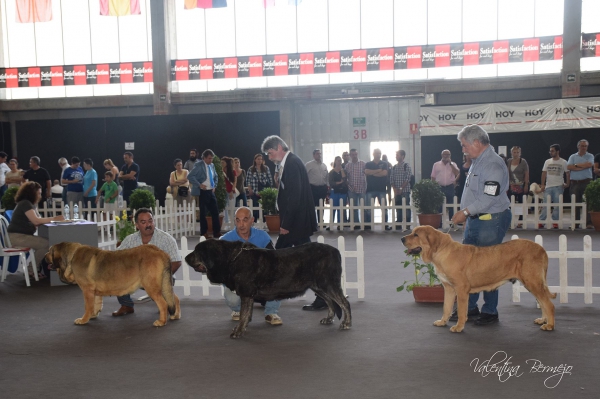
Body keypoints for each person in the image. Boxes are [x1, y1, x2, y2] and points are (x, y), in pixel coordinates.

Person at [450, 125, 511, 326]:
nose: (463, 149)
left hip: (490, 221)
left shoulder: (493, 164)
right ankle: (470, 308)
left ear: (476, 142)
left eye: (464, 145)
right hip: (476, 220)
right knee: (469, 267)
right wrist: (468, 214)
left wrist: (465, 212)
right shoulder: (478, 161)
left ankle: (490, 311)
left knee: (488, 267)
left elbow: (488, 199)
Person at [261, 135, 321, 310]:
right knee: (306, 260)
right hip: (297, 222)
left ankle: (266, 296)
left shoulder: (292, 163)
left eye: (270, 153)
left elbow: (295, 196)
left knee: (276, 258)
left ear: (279, 147)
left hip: (295, 223)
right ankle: (322, 295)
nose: (270, 157)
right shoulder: (290, 162)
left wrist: (286, 224)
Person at [112, 208, 182, 317]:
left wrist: (160, 277)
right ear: (136, 225)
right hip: (135, 277)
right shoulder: (130, 240)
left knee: (166, 305)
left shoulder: (166, 239)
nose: (148, 225)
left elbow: (177, 262)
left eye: (150, 221)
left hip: (161, 276)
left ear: (154, 221)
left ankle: (167, 302)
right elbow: (116, 258)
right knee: (118, 275)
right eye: (143, 222)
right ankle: (126, 305)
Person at [220, 207, 282, 325]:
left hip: (260, 279)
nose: (241, 224)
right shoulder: (225, 240)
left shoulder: (263, 237)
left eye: (245, 220)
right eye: (238, 220)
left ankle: (271, 312)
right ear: (234, 221)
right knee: (233, 300)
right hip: (237, 282)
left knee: (277, 280)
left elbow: (274, 261)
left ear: (252, 220)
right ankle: (237, 310)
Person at [7, 182, 64, 277]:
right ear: (31, 193)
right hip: (17, 237)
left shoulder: (29, 204)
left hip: (20, 235)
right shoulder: (25, 204)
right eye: (38, 193)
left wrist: (48, 219)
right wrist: (54, 219)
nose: (40, 195)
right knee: (47, 244)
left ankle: (34, 268)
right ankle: (32, 269)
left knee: (46, 243)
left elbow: (38, 219)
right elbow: (36, 221)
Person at [188, 149, 221, 238]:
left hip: (211, 191)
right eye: (209, 158)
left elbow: (216, 177)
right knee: (203, 213)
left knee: (215, 212)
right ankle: (204, 233)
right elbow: (190, 176)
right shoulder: (198, 165)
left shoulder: (212, 165)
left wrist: (215, 185)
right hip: (203, 192)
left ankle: (217, 232)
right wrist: (199, 185)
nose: (211, 160)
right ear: (204, 158)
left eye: (212, 158)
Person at [539, 144, 570, 229]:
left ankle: (555, 221)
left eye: (552, 151)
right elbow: (544, 173)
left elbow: (567, 173)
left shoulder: (563, 162)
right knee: (545, 205)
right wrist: (542, 184)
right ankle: (541, 221)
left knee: (557, 205)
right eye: (550, 151)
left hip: (558, 186)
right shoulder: (547, 161)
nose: (550, 152)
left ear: (557, 151)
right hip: (548, 186)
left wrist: (567, 183)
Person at [567, 139, 594, 228]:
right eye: (582, 146)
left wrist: (576, 166)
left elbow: (589, 165)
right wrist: (582, 166)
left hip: (587, 182)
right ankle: (575, 223)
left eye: (585, 146)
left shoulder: (590, 156)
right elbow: (569, 166)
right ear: (578, 146)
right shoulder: (572, 156)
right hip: (575, 183)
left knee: (588, 203)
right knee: (575, 203)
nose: (584, 148)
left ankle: (589, 223)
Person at [431, 149, 460, 222]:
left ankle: (452, 222)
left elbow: (457, 173)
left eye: (448, 155)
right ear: (442, 155)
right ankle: (439, 222)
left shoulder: (453, 164)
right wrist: (433, 187)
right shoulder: (436, 164)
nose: (446, 156)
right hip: (439, 187)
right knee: (439, 206)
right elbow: (433, 176)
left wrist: (450, 164)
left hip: (450, 186)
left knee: (451, 205)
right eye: (445, 154)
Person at [364, 148, 389, 229]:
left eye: (379, 153)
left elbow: (384, 173)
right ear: (373, 154)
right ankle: (368, 225)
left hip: (381, 189)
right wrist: (378, 170)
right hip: (370, 189)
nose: (378, 155)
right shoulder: (368, 163)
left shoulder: (384, 163)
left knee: (384, 208)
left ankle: (385, 225)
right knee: (368, 209)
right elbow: (366, 172)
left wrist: (372, 173)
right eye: (377, 153)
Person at [506, 146, 529, 226]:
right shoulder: (509, 161)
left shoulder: (523, 162)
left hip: (521, 185)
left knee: (521, 203)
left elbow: (526, 173)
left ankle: (520, 221)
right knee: (509, 204)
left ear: (520, 153)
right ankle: (509, 220)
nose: (515, 154)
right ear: (511, 153)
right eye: (514, 152)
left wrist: (526, 184)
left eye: (517, 152)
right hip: (511, 186)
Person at [246, 153, 274, 219]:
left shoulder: (266, 168)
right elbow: (248, 180)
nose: (260, 161)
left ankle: (264, 222)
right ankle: (255, 222)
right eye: (258, 159)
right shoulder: (251, 169)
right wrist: (250, 190)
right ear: (255, 160)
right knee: (255, 208)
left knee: (265, 208)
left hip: (264, 191)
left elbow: (270, 179)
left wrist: (270, 190)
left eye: (261, 159)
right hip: (254, 191)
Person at [345, 148, 367, 228]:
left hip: (362, 189)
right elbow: (345, 178)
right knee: (354, 208)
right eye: (353, 155)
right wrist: (349, 186)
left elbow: (367, 175)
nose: (354, 156)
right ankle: (357, 224)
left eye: (356, 154)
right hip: (352, 190)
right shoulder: (347, 166)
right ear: (350, 156)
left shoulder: (363, 164)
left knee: (364, 207)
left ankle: (365, 224)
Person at [390, 150, 412, 229]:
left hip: (405, 191)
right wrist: (395, 189)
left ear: (402, 156)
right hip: (396, 191)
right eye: (396, 155)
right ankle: (398, 223)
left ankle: (407, 224)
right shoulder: (394, 167)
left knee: (406, 207)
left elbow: (408, 178)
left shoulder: (407, 166)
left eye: (398, 155)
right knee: (398, 207)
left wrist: (401, 188)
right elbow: (391, 178)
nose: (396, 156)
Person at [305, 149, 329, 222]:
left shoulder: (324, 165)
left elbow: (327, 177)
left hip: (322, 188)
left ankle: (321, 220)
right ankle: (312, 222)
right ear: (314, 155)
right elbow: (304, 175)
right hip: (313, 188)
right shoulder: (309, 164)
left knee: (321, 205)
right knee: (312, 205)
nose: (319, 155)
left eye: (320, 154)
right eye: (317, 154)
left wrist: (327, 187)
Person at [328, 156, 348, 227]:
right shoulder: (331, 172)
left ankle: (340, 224)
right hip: (334, 192)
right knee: (333, 208)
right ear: (335, 161)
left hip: (343, 192)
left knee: (341, 209)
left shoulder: (344, 171)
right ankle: (331, 224)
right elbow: (331, 183)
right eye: (338, 160)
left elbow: (344, 179)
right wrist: (339, 182)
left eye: (340, 160)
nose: (339, 162)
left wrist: (341, 170)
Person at [221, 156, 237, 225]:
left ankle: (233, 222)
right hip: (224, 191)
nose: (222, 163)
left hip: (231, 191)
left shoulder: (233, 171)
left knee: (232, 207)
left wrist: (231, 191)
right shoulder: (221, 171)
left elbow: (235, 182)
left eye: (223, 162)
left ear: (227, 163)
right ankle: (226, 222)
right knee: (225, 207)